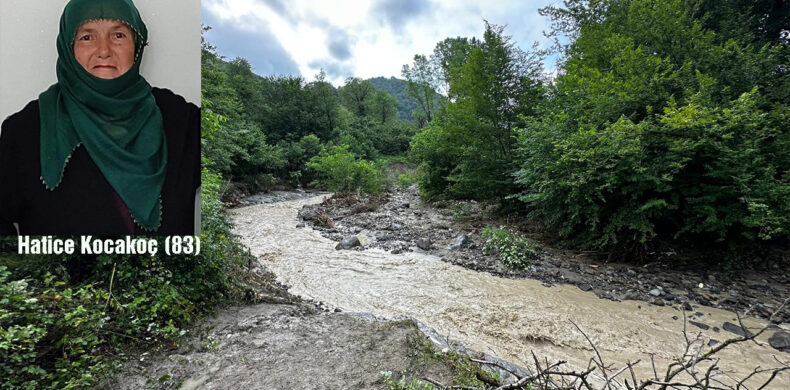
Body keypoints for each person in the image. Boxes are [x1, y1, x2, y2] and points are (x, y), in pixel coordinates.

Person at [0, 0, 200, 236]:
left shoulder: (183, 122)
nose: (104, 50)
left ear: (136, 46)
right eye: (87, 37)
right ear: (68, 46)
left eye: (118, 35)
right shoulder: (25, 131)